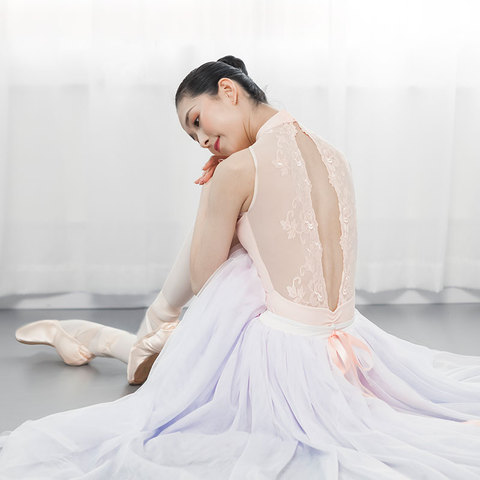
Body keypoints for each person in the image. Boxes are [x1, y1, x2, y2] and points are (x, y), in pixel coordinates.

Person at [1, 54, 480, 479]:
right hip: (349, 349)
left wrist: (216, 197)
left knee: (227, 284)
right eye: (193, 136)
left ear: (228, 90)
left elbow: (208, 282)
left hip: (285, 361)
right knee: (243, 274)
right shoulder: (335, 154)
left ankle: (121, 335)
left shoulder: (238, 169)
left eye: (197, 121)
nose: (202, 140)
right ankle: (135, 334)